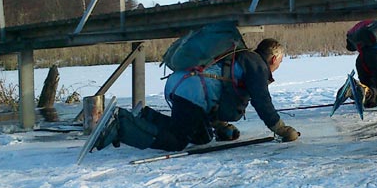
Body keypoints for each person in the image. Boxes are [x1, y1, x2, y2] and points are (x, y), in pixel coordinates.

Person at [97, 38, 299, 152]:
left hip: (183, 84)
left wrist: (220, 126)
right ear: (274, 58)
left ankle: (146, 117)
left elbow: (221, 91)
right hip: (190, 92)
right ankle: (121, 128)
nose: (278, 66)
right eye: (280, 62)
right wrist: (282, 129)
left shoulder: (243, 57)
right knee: (177, 141)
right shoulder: (257, 66)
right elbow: (262, 102)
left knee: (201, 137)